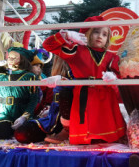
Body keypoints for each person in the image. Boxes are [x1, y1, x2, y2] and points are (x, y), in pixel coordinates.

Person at [42, 16, 125, 145]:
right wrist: (67, 35)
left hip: (106, 98)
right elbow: (48, 45)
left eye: (104, 34)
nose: (100, 36)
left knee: (107, 132)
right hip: (84, 96)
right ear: (87, 32)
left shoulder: (112, 57)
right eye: (96, 32)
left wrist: (113, 77)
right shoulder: (77, 51)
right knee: (85, 135)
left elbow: (118, 76)